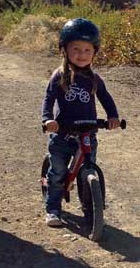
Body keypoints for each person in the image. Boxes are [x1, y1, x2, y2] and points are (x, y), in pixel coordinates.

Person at [41, 18, 120, 227]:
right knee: (57, 174)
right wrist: (48, 119)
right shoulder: (60, 76)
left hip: (87, 133)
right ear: (64, 50)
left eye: (87, 50)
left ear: (94, 52)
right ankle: (53, 209)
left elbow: (106, 98)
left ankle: (91, 213)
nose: (81, 54)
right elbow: (48, 99)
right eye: (76, 49)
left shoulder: (94, 78)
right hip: (63, 134)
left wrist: (113, 117)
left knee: (88, 170)